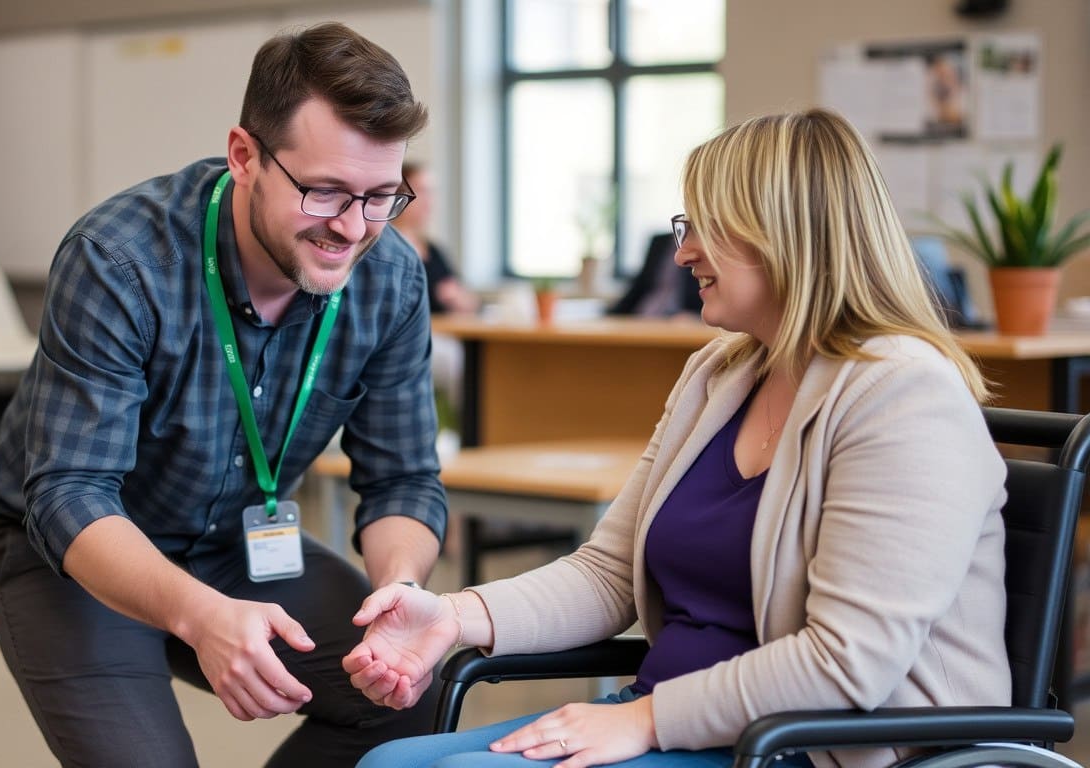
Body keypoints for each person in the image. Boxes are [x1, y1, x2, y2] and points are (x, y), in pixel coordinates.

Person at [344, 108, 1010, 768]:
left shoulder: (905, 395)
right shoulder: (720, 373)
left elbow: (846, 663)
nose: (683, 250)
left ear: (783, 234)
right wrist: (453, 616)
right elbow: (606, 574)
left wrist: (647, 719)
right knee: (389, 764)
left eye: (703, 228)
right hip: (680, 721)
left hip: (816, 747)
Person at [0, 22, 448, 768]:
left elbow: (404, 481)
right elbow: (69, 493)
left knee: (415, 692)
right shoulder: (119, 260)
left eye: (381, 195)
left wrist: (399, 592)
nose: (352, 228)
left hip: (234, 542)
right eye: (324, 192)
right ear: (244, 156)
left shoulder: (391, 277)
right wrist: (199, 615)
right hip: (72, 551)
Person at [390, 160, 480, 316]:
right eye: (421, 191)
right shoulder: (383, 249)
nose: (429, 200)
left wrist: (459, 299)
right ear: (399, 195)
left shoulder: (433, 250)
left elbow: (468, 300)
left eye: (431, 192)